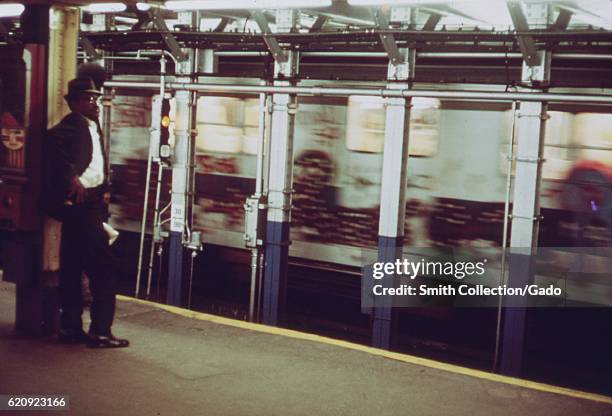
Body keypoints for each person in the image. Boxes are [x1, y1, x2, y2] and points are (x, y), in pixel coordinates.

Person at [43, 77, 128, 348]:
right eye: (89, 99)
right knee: (104, 268)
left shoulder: (93, 126)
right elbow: (50, 141)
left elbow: (95, 162)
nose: (95, 103)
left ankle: (70, 328)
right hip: (82, 206)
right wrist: (71, 178)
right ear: (74, 103)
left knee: (72, 266)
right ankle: (100, 332)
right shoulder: (74, 124)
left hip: (87, 204)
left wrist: (103, 187)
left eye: (96, 98)